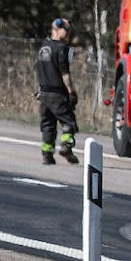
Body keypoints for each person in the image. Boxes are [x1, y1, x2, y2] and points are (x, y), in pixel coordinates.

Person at [35, 19, 79, 165]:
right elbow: (64, 73)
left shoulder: (43, 48)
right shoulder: (61, 48)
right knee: (68, 121)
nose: (68, 34)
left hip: (44, 93)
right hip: (57, 93)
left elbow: (41, 70)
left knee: (48, 125)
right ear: (57, 29)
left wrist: (40, 90)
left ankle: (47, 154)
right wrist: (71, 91)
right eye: (66, 30)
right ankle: (66, 146)